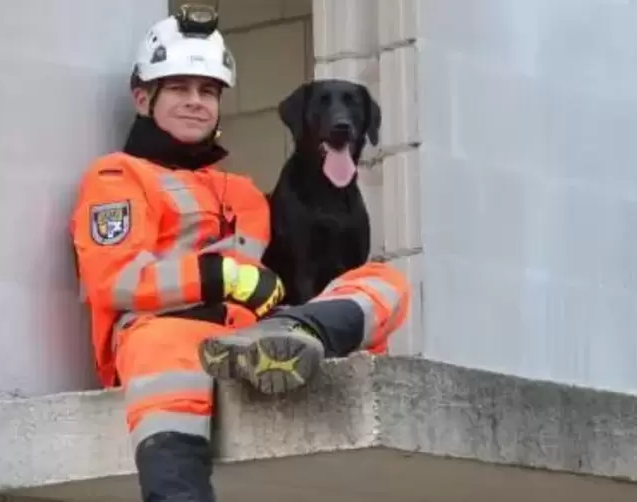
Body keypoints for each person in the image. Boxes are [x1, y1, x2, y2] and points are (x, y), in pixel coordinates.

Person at [69, 4, 411, 502]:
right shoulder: (118, 176)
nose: (196, 102)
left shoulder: (244, 192)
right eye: (180, 89)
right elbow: (116, 281)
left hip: (252, 340)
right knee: (166, 346)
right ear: (143, 98)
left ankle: (301, 330)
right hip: (164, 330)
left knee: (385, 281)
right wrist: (219, 277)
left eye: (207, 91)